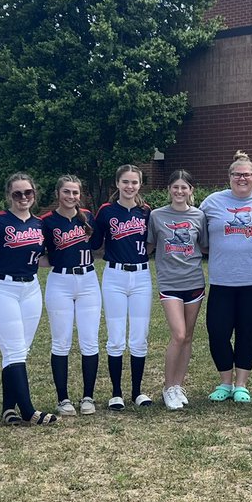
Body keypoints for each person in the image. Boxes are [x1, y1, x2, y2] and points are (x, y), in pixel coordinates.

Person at [200, 150, 252, 404]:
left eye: (247, 174)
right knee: (218, 332)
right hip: (222, 279)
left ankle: (241, 384)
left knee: (247, 331)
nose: (242, 178)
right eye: (237, 174)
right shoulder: (212, 202)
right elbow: (198, 233)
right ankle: (225, 382)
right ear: (229, 177)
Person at [0, 173, 56, 425]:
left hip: (30, 288)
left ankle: (8, 409)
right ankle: (28, 410)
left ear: (34, 194)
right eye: (17, 193)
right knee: (14, 349)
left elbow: (43, 257)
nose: (23, 197)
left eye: (28, 192)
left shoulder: (39, 224)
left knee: (18, 350)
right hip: (0, 287)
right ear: (9, 196)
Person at [92, 164, 153, 409]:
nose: (130, 186)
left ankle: (137, 392)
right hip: (114, 276)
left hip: (141, 276)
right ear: (117, 183)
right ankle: (116, 393)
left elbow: (151, 242)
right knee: (116, 337)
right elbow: (95, 242)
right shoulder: (106, 211)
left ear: (140, 184)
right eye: (125, 181)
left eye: (134, 182)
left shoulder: (146, 211)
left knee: (139, 336)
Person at [148, 170, 207, 411]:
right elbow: (149, 246)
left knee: (188, 337)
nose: (180, 191)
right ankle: (167, 387)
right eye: (175, 187)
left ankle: (178, 386)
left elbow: (204, 246)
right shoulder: (156, 216)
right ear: (169, 189)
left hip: (194, 282)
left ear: (191, 190)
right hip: (169, 283)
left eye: (184, 187)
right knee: (179, 335)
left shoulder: (199, 216)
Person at [43, 175, 101, 416]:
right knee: (61, 341)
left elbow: (97, 245)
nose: (71, 196)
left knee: (90, 340)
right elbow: (41, 253)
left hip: (88, 280)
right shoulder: (47, 221)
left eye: (75, 192)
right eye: (66, 191)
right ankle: (63, 399)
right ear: (58, 193)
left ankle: (88, 396)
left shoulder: (87, 217)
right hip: (60, 281)